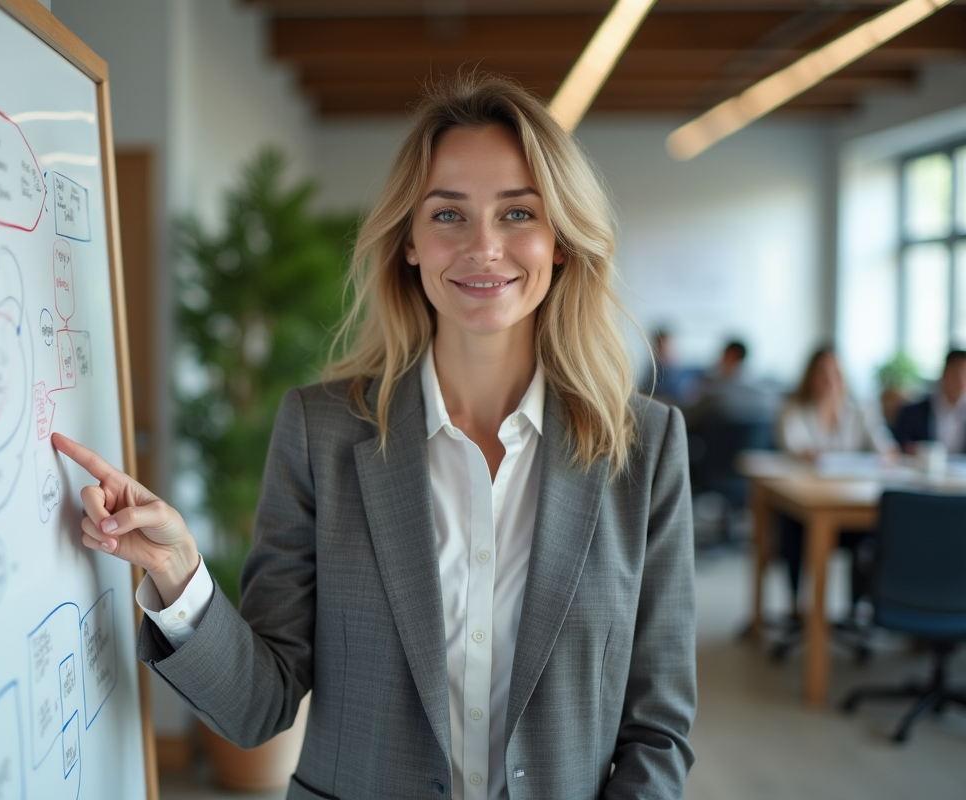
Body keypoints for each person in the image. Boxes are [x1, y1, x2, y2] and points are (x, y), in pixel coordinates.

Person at [54, 75, 695, 800]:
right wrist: (178, 573)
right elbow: (258, 706)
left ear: (562, 241)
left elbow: (658, 728)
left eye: (518, 212)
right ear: (411, 243)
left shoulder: (644, 447)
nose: (484, 246)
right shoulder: (319, 433)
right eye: (449, 215)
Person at [774, 347, 897, 618]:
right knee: (789, 527)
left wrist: (885, 455)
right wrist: (807, 453)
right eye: (822, 374)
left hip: (850, 499)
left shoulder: (861, 411)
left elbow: (885, 448)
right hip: (807, 503)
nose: (829, 380)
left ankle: (857, 609)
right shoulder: (794, 409)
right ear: (810, 376)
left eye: (836, 374)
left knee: (876, 532)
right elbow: (792, 446)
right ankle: (798, 607)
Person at [684, 339, 777, 429]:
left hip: (715, 442)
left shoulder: (714, 395)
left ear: (730, 357)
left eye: (721, 356)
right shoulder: (767, 397)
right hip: (752, 445)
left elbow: (686, 419)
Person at [892, 349, 966, 455]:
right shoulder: (911, 413)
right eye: (957, 372)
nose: (961, 380)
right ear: (944, 373)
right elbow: (897, 449)